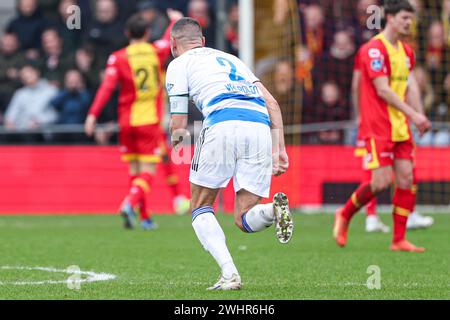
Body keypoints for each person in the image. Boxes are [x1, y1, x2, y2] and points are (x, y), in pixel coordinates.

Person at [166, 17, 293, 291]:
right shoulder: (233, 60)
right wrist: (279, 147)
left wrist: (176, 141)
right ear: (202, 41)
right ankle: (273, 209)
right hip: (259, 127)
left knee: (201, 206)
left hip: (222, 122)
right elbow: (271, 102)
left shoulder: (178, 64)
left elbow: (178, 123)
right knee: (244, 218)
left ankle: (229, 273)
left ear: (173, 44)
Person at [333, 0, 432, 252]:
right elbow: (383, 90)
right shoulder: (373, 50)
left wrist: (419, 115)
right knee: (380, 183)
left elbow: (409, 86)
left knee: (406, 177)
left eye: (411, 19)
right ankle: (344, 214)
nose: (409, 23)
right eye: (404, 18)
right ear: (390, 18)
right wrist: (414, 115)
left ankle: (399, 239)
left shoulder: (407, 52)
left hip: (400, 125)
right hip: (378, 126)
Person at [84, 11, 182, 230]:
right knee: (148, 171)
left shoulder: (118, 57)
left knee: (135, 171)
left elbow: (106, 88)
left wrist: (92, 115)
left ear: (127, 33)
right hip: (148, 121)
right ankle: (129, 203)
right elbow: (169, 38)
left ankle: (145, 218)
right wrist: (175, 19)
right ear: (147, 33)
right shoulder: (156, 51)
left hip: (126, 122)